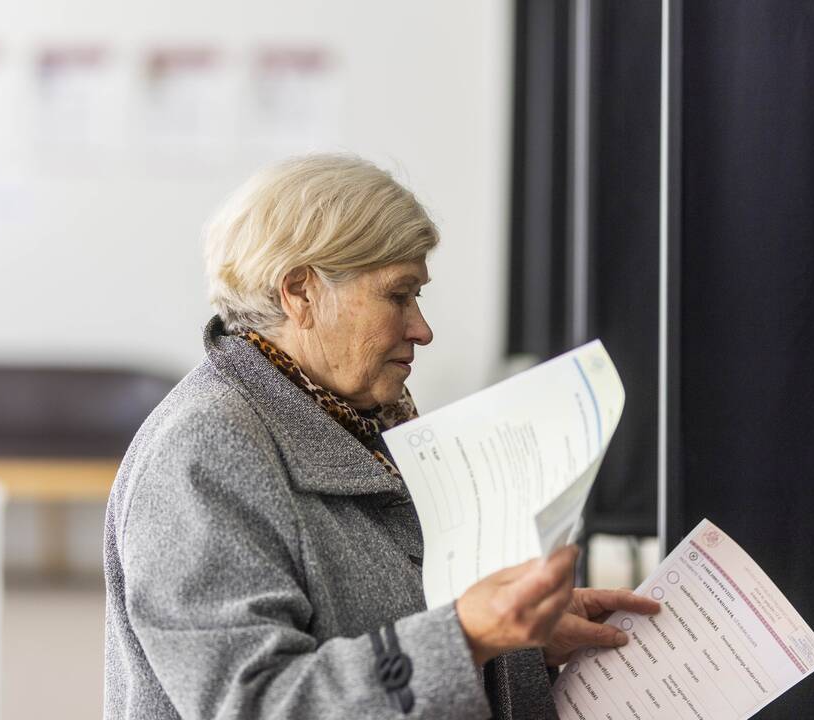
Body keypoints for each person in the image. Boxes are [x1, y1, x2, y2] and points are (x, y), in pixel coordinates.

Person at [103, 154, 658, 719]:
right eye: (399, 295)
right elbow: (254, 704)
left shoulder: (364, 421)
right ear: (301, 293)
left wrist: (517, 643)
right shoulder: (202, 451)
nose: (422, 328)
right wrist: (468, 636)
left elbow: (404, 624)